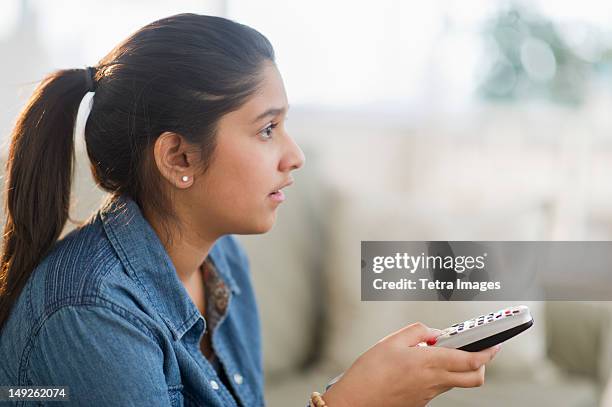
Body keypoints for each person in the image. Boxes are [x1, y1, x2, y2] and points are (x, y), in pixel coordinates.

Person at [0, 13, 500, 407]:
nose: (294, 156)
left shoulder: (223, 261)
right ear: (180, 157)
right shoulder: (91, 315)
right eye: (267, 129)